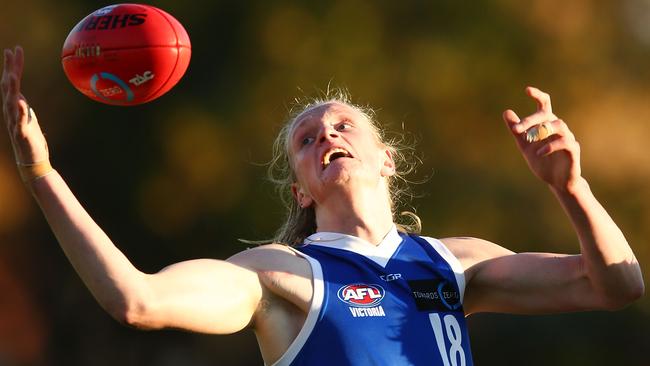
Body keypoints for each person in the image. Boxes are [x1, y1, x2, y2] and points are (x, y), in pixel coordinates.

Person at [2, 45, 644, 365]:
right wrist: (40, 173)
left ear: (387, 157)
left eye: (342, 126)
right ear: (300, 191)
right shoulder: (280, 276)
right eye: (306, 140)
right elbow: (134, 300)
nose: (326, 137)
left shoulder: (455, 264)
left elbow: (616, 285)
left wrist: (571, 190)